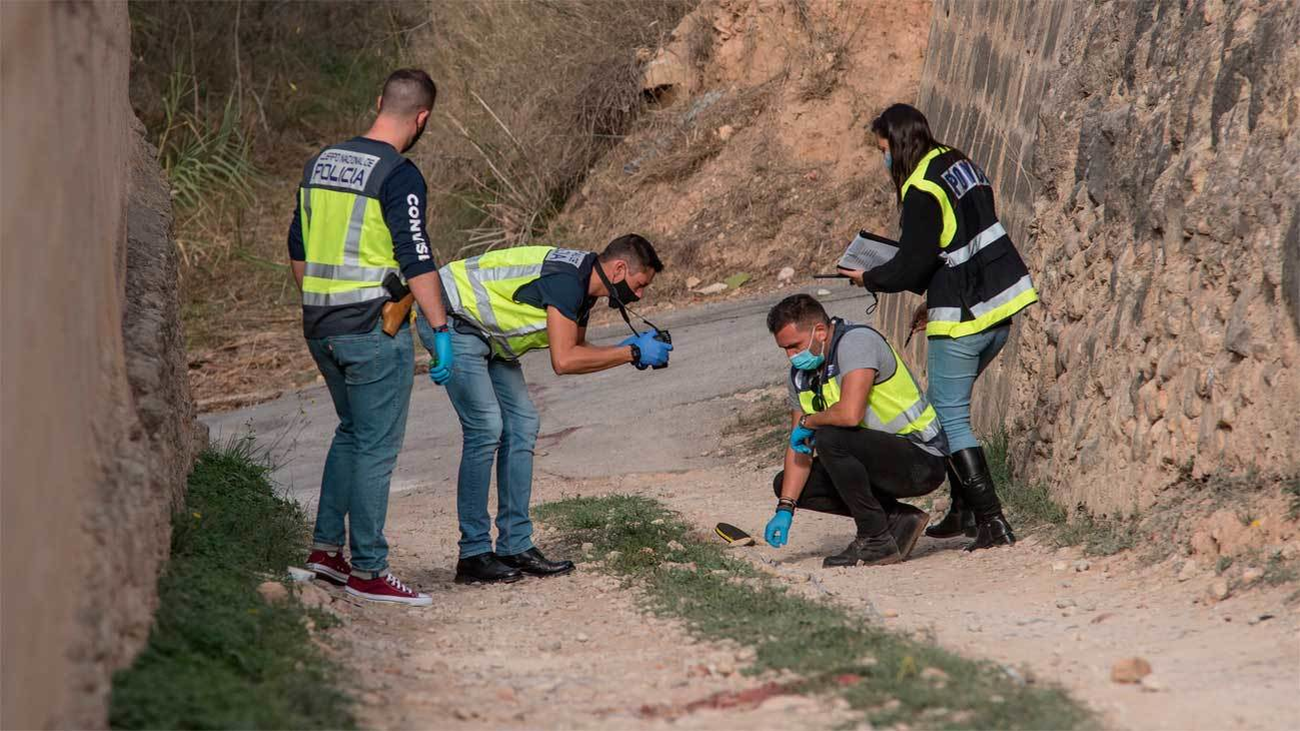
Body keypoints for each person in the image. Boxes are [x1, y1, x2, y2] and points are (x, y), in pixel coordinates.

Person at [288, 69, 455, 606]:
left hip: (321, 326)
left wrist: (323, 301)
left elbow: (298, 246)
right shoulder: (398, 174)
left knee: (352, 433)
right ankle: (369, 569)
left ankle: (325, 553)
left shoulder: (322, 163)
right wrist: (441, 330)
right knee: (377, 448)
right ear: (422, 118)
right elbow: (417, 256)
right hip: (371, 329)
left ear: (379, 101)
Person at [839, 103, 1039, 551]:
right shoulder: (957, 162)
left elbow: (911, 267)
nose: (884, 159)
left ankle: (992, 522)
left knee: (947, 416)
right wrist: (935, 296)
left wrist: (867, 276)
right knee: (941, 409)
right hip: (998, 308)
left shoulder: (921, 189)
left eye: (884, 149)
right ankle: (964, 510)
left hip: (964, 319)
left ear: (900, 143)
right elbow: (959, 244)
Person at [416, 234, 670, 584]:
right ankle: (473, 554)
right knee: (487, 427)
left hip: (488, 337)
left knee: (522, 424)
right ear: (619, 269)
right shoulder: (568, 283)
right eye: (639, 286)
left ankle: (514, 546)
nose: (639, 296)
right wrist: (632, 353)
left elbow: (577, 347)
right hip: (451, 319)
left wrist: (624, 349)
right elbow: (564, 360)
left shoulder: (583, 288)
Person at [762, 294, 949, 567]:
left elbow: (849, 415)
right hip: (873, 459)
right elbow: (798, 450)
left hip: (920, 459)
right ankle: (896, 520)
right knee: (787, 485)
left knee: (830, 437)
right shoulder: (801, 376)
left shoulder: (856, 343)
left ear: (821, 332)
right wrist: (785, 508)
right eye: (784, 350)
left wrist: (809, 423)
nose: (791, 356)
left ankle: (874, 537)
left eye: (795, 346)